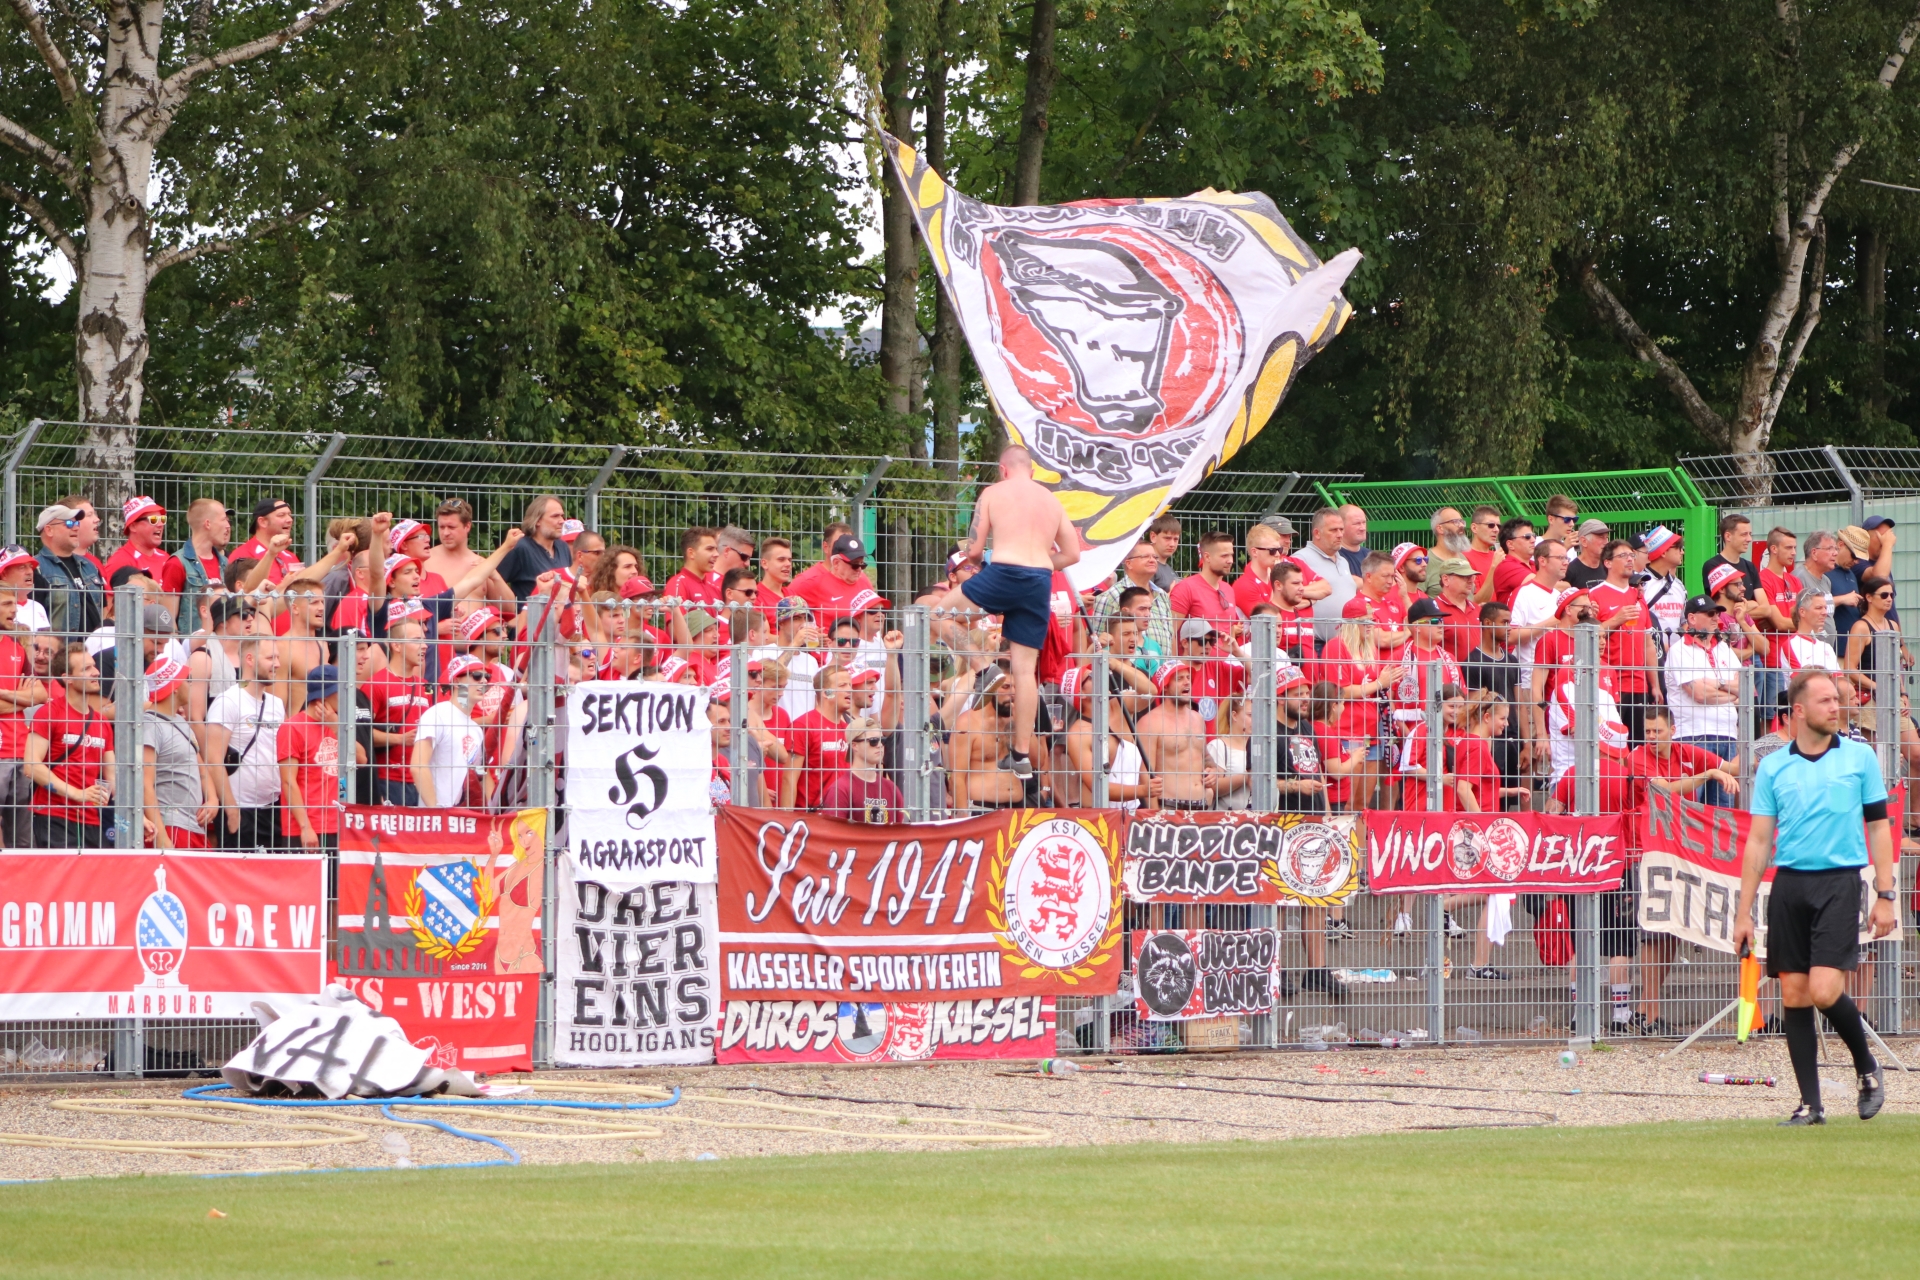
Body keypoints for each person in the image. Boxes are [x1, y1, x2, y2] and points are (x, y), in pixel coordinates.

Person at [1734, 669, 1895, 1125]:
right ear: (1799, 710)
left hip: (1839, 882)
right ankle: (1811, 1105)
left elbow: (1879, 828)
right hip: (1790, 885)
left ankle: (1867, 1068)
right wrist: (1743, 913)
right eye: (1825, 700)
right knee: (1795, 993)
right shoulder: (1773, 766)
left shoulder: (1860, 757)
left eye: (1836, 699)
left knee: (1825, 989)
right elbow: (1758, 842)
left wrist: (1886, 894)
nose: (1835, 707)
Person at [937, 446, 1080, 787]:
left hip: (1004, 572)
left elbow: (973, 550)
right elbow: (1072, 554)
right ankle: (1020, 754)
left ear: (1003, 469)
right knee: (1025, 671)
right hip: (1039, 581)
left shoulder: (993, 493)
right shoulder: (1051, 501)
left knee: (936, 614)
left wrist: (985, 559)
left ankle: (982, 668)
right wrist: (1040, 563)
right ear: (1031, 471)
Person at [1622, 705, 1739, 1033]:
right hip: (1643, 851)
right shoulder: (1637, 757)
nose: (1651, 737)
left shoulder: (1685, 752)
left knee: (1673, 929)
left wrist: (1759, 744)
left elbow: (1732, 767)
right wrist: (1709, 775)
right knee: (1653, 931)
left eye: (1657, 731)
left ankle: (1646, 1010)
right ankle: (1649, 1013)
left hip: (1677, 851)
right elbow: (1664, 790)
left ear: (1672, 730)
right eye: (1647, 731)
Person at [23, 642, 114, 847]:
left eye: (94, 666)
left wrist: (137, 816)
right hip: (54, 816)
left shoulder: (101, 721)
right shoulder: (49, 713)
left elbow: (113, 776)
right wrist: (78, 794)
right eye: (86, 669)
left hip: (92, 819)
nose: (96, 672)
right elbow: (31, 766)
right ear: (68, 678)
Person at [203, 638, 285, 849]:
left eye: (277, 657)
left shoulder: (277, 704)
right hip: (240, 809)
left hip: (273, 808)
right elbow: (213, 760)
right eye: (270, 658)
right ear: (250, 659)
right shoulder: (228, 701)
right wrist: (231, 809)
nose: (277, 664)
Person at [1664, 596, 1742, 794]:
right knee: (1693, 804)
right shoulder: (1679, 650)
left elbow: (1745, 688)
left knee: (1723, 805)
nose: (1716, 618)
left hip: (1727, 735)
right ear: (1692, 618)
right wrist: (1731, 693)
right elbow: (1699, 693)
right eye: (1710, 613)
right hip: (1693, 736)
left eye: (1717, 613)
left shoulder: (1724, 648)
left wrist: (1717, 684)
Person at [141, 655, 217, 849]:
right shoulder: (151, 725)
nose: (190, 685)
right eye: (186, 680)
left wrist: (213, 799)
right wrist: (162, 838)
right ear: (174, 687)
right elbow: (145, 784)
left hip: (192, 826)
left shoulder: (180, 721)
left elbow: (201, 768)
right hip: (171, 826)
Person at [1590, 538, 1657, 743]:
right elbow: (1587, 637)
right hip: (1609, 684)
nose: (1629, 559)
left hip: (1639, 685)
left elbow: (1648, 644)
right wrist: (1615, 620)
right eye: (1623, 556)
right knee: (1611, 746)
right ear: (1607, 562)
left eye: (1632, 555)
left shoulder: (1638, 597)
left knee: (1638, 747)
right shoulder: (1595, 595)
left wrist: (1654, 684)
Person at [411, 655, 490, 808]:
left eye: (486, 676)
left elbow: (480, 775)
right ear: (456, 681)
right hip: (438, 816)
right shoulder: (437, 714)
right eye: (476, 676)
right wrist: (436, 811)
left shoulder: (475, 729)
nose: (484, 681)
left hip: (464, 816)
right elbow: (418, 766)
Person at [947, 666, 1027, 812]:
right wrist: (963, 816)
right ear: (990, 689)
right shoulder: (967, 723)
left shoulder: (1015, 719)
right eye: (1006, 687)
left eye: (1016, 687)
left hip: (1016, 807)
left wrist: (1022, 723)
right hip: (981, 807)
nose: (1013, 693)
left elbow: (1038, 760)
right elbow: (957, 778)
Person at [0, 592, 45, 846]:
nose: (15, 610)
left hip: (21, 751)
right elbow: (31, 696)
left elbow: (41, 694)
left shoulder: (16, 647)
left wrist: (6, 693)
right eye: (6, 604)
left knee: (22, 842)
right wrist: (22, 698)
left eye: (15, 604)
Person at [1137, 662, 1211, 809]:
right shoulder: (1150, 722)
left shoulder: (1197, 718)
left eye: (1188, 677)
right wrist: (1155, 816)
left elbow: (1206, 758)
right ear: (1165, 686)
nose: (1187, 682)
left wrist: (1213, 772)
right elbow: (1145, 775)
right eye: (1179, 678)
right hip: (1169, 807)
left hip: (1202, 807)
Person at [785, 664, 854, 811]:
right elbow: (789, 778)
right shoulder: (803, 725)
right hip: (811, 816)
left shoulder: (850, 729)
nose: (849, 690)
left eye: (850, 685)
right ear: (826, 693)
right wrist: (786, 819)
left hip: (844, 814)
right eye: (842, 685)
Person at [33, 503, 106, 636]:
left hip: (95, 648)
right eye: (69, 523)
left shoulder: (90, 566)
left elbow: (104, 609)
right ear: (49, 530)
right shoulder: (36, 569)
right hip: (60, 648)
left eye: (77, 523)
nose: (76, 528)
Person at [1097, 541, 1175, 657]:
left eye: (1154, 557)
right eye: (1145, 556)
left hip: (1162, 665)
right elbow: (1096, 639)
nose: (1152, 560)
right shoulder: (1111, 596)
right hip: (1125, 665)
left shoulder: (1162, 595)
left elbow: (1171, 637)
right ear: (1129, 563)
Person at [819, 716, 903, 823]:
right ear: (854, 745)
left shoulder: (892, 789)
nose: (880, 745)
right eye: (873, 741)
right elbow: (833, 831)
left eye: (883, 740)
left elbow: (901, 829)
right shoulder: (840, 790)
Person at [496, 495, 571, 605]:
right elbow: (493, 583)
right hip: (530, 614)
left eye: (562, 516)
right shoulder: (520, 548)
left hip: (560, 614)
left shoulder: (563, 547)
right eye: (555, 516)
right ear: (537, 520)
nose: (562, 521)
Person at [1295, 507, 1356, 642]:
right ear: (1317, 533)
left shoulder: (1343, 561)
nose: (1340, 535)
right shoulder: (1301, 559)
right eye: (1333, 530)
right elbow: (1290, 596)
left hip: (1347, 643)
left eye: (1341, 529)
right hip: (1317, 643)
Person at [1844, 573, 1909, 699]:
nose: (1889, 599)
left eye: (1891, 595)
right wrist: (1878, 687)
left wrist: (1903, 693)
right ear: (1869, 597)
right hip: (1870, 695)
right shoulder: (1861, 627)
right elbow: (1850, 668)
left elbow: (1895, 666)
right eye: (1884, 595)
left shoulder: (1893, 625)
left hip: (1893, 694)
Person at [1342, 551, 1411, 659]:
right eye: (1385, 576)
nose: (1390, 581)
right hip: (1380, 667)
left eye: (1392, 576)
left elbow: (1420, 624)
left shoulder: (1395, 604)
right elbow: (1381, 640)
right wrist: (1409, 631)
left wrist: (1405, 597)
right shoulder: (1358, 606)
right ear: (1369, 577)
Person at [1637, 524, 1687, 665]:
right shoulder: (1640, 584)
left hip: (1676, 659)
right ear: (1663, 552)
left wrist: (1677, 647)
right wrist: (1658, 645)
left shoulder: (1679, 585)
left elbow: (1685, 621)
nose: (1682, 552)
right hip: (1648, 658)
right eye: (1678, 547)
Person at [231, 497, 304, 586]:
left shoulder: (290, 556)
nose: (290, 520)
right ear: (263, 522)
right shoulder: (243, 555)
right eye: (281, 515)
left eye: (289, 515)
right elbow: (246, 591)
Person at [1776, 589, 1842, 675]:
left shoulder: (1827, 647)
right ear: (1802, 612)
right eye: (1819, 608)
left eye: (1825, 608)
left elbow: (1839, 679)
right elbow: (1803, 680)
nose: (1825, 612)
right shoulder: (1792, 644)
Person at [1701, 512, 1763, 598]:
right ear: (1728, 536)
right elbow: (1723, 603)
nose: (1749, 539)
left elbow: (1764, 605)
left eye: (1750, 534)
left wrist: (1746, 604)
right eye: (1744, 534)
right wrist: (1753, 603)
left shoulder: (1750, 567)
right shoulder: (1713, 566)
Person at [1206, 695, 1252, 809]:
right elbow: (1212, 787)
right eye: (1250, 715)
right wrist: (1248, 776)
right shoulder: (1218, 746)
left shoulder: (1260, 748)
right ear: (1234, 715)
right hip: (1226, 817)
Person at [1421, 507, 1470, 593]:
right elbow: (1414, 596)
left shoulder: (1463, 558)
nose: (1461, 525)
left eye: (1461, 521)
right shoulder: (1426, 560)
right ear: (1440, 528)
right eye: (1455, 522)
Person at [1489, 518, 1536, 606]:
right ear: (1510, 544)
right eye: (1527, 537)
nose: (1533, 540)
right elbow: (1542, 585)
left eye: (1534, 536)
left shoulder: (1534, 564)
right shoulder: (1506, 566)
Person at [1564, 518, 1610, 590]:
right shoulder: (1570, 571)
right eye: (1601, 537)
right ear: (1584, 541)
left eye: (1607, 537)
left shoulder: (1608, 568)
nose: (1606, 542)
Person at [1146, 515, 1181, 591]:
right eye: (1167, 538)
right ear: (1153, 537)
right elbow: (1142, 597)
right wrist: (1170, 595)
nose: (1172, 544)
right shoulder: (1148, 567)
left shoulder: (1171, 570)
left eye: (1175, 539)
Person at [1336, 504, 1370, 576]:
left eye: (1364, 522)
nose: (1363, 528)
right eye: (1357, 523)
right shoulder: (1335, 557)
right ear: (1341, 526)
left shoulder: (1371, 556)